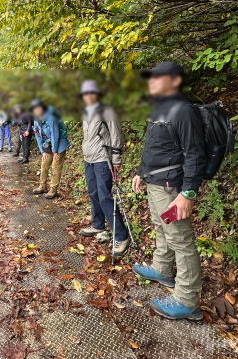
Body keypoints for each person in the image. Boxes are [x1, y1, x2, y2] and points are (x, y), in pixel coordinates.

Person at [131, 62, 206, 321]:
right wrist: (141, 172)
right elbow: (154, 148)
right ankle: (162, 269)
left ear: (174, 81)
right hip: (155, 184)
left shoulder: (183, 111)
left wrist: (188, 193)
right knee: (160, 226)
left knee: (181, 240)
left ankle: (187, 300)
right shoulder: (160, 109)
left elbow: (195, 154)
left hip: (171, 188)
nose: (151, 81)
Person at [77, 80, 130, 254]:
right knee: (93, 193)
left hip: (103, 159)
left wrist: (116, 159)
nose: (88, 97)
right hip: (89, 159)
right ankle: (98, 224)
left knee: (104, 196)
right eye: (85, 94)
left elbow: (116, 135)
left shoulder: (107, 110)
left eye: (91, 93)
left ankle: (121, 236)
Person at [31, 99, 70, 199]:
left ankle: (53, 190)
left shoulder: (51, 117)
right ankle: (42, 186)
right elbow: (38, 136)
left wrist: (55, 151)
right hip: (48, 144)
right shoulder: (36, 120)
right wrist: (42, 151)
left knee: (55, 166)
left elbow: (55, 135)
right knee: (44, 164)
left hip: (59, 144)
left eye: (38, 108)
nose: (36, 110)